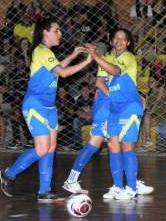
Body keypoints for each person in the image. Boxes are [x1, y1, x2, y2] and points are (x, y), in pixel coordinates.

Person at [0, 18, 92, 202]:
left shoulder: (46, 54)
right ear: (45, 32)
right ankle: (8, 174)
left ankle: (44, 191)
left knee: (50, 147)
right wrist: (88, 60)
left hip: (49, 107)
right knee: (42, 149)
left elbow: (57, 68)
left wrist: (73, 56)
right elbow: (63, 73)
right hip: (35, 106)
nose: (60, 33)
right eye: (57, 30)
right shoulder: (41, 51)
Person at [62, 46, 153, 196]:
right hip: (107, 107)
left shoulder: (121, 60)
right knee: (110, 144)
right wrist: (120, 100)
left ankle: (122, 184)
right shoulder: (109, 59)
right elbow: (100, 83)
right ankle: (129, 184)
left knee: (100, 144)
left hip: (108, 106)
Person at [85, 28, 147, 200]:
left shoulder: (128, 57)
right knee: (113, 146)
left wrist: (95, 56)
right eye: (116, 38)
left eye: (123, 39)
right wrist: (111, 95)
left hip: (129, 107)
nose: (119, 41)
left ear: (128, 43)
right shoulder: (108, 58)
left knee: (127, 146)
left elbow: (115, 71)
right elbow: (100, 82)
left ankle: (132, 187)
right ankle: (118, 186)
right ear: (111, 42)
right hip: (114, 108)